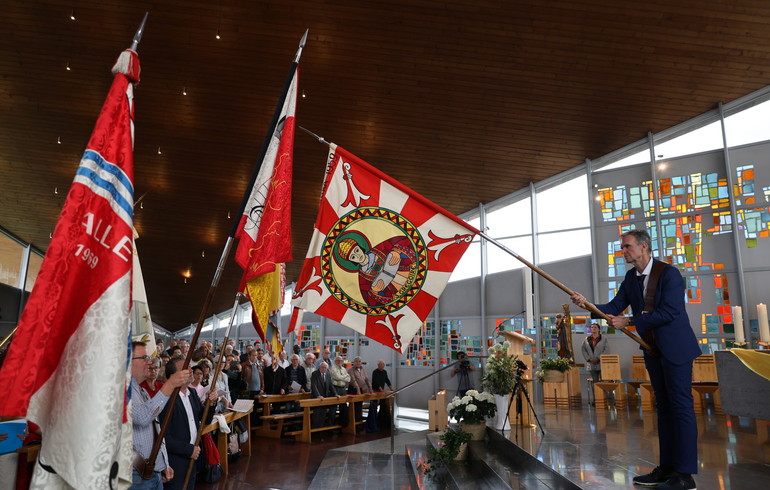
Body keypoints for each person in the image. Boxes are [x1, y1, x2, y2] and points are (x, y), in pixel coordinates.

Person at [571, 229, 700, 490]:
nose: (623, 251)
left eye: (627, 246)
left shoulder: (669, 274)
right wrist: (587, 305)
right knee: (664, 409)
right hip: (653, 350)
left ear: (643, 247)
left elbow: (670, 312)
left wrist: (629, 321)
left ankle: (685, 475)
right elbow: (613, 308)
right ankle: (667, 469)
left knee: (680, 408)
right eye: (622, 247)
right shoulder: (631, 278)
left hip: (676, 349)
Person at [129, 341, 190, 489]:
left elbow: (156, 430)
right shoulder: (122, 390)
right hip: (135, 473)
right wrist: (170, 384)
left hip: (152, 470)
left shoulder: (142, 392)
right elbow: (142, 417)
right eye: (144, 357)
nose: (149, 362)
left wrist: (163, 464)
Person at [158, 358, 217, 490]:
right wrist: (189, 450)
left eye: (189, 367)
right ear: (173, 376)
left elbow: (205, 420)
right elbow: (163, 437)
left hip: (192, 458)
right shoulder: (167, 399)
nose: (191, 371)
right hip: (175, 461)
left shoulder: (192, 393)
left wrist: (211, 403)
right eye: (185, 368)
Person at [333, 231, 418, 306]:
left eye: (357, 250)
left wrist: (397, 251)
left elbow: (404, 241)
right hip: (399, 295)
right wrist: (374, 291)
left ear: (360, 247)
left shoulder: (380, 248)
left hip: (414, 275)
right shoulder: (362, 278)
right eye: (353, 257)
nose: (358, 256)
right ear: (351, 261)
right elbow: (368, 301)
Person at [581, 323, 609, 406]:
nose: (593, 328)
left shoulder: (604, 338)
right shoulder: (587, 339)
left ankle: (605, 399)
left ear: (599, 329)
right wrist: (589, 359)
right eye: (592, 327)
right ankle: (596, 400)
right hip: (591, 363)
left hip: (601, 363)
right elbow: (583, 350)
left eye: (595, 327)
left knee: (603, 381)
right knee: (595, 382)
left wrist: (599, 358)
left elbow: (607, 350)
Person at [310, 362, 339, 428]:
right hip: (317, 398)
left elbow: (330, 385)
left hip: (325, 397)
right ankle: (315, 430)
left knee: (323, 414)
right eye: (322, 367)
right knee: (316, 415)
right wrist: (318, 395)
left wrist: (335, 394)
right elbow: (314, 386)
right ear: (319, 367)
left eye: (325, 368)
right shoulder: (315, 374)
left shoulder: (328, 374)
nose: (324, 369)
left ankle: (320, 429)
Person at [348, 356, 372, 423]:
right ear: (354, 362)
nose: (358, 363)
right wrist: (357, 389)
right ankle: (353, 423)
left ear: (361, 362)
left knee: (359, 406)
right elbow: (353, 380)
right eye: (356, 361)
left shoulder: (362, 369)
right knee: (354, 407)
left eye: (359, 361)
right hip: (353, 389)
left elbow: (366, 379)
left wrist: (370, 387)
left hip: (360, 389)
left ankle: (359, 422)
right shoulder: (351, 370)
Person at [371, 360, 394, 429]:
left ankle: (382, 419)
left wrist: (391, 388)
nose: (382, 366)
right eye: (381, 365)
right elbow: (375, 381)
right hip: (375, 389)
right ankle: (374, 419)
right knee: (374, 404)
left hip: (382, 390)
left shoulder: (384, 372)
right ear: (378, 365)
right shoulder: (375, 372)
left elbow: (387, 380)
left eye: (383, 365)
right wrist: (381, 389)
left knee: (383, 404)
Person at [330, 356, 351, 426]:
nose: (339, 362)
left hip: (343, 389)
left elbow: (349, 379)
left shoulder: (343, 369)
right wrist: (344, 377)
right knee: (333, 408)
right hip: (335, 388)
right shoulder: (333, 368)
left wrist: (342, 378)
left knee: (343, 407)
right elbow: (337, 377)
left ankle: (342, 424)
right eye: (338, 360)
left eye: (341, 360)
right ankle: (331, 426)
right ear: (335, 361)